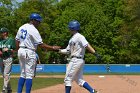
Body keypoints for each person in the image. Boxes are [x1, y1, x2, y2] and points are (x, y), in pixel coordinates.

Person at [15, 13, 61, 93]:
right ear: (33, 20)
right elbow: (41, 45)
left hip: (21, 50)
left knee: (23, 74)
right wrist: (53, 48)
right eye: (38, 21)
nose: (39, 23)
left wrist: (18, 50)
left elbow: (16, 40)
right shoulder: (33, 30)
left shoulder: (22, 27)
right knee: (29, 76)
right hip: (29, 51)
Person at [59, 20, 100, 93]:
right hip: (78, 60)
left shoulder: (80, 36)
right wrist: (58, 50)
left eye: (69, 27)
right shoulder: (72, 39)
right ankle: (92, 91)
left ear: (72, 28)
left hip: (75, 60)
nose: (69, 29)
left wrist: (94, 53)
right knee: (79, 80)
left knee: (68, 79)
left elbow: (86, 45)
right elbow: (68, 51)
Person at [0, 27, 16, 93]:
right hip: (1, 59)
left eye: (1, 32)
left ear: (5, 33)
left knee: (6, 74)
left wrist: (8, 50)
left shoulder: (11, 40)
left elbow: (15, 50)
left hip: (8, 58)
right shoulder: (0, 41)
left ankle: (4, 89)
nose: (0, 33)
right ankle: (9, 89)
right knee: (4, 75)